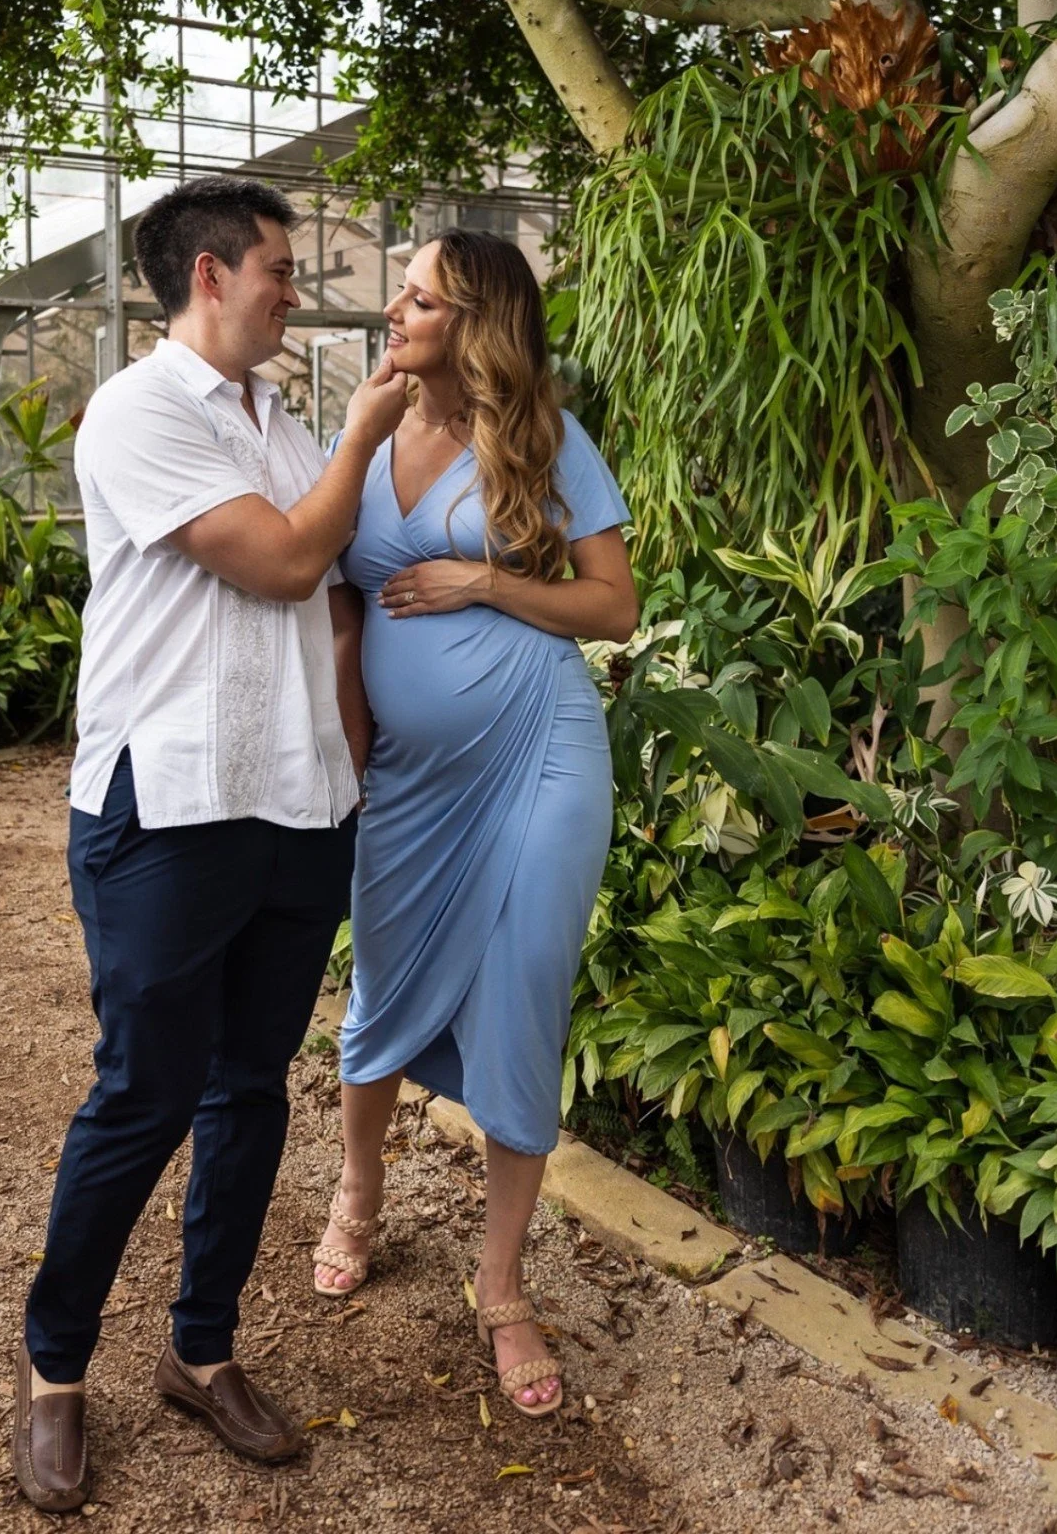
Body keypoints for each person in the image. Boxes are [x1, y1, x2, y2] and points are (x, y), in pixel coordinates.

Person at [13, 176, 406, 1512]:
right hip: (168, 806)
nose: (296, 292)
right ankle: (55, 1372)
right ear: (211, 280)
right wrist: (363, 438)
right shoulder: (139, 412)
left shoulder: (278, 422)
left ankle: (202, 1348)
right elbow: (291, 563)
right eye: (281, 272)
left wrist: (351, 757)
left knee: (251, 1091)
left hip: (297, 804)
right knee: (143, 1096)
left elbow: (341, 598)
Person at [311, 228, 638, 1418]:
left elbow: (614, 606)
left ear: (476, 322)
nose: (392, 313)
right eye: (401, 295)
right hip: (409, 780)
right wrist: (353, 747)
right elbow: (340, 610)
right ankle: (358, 1193)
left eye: (419, 299)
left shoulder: (546, 440)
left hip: (543, 755)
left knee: (527, 991)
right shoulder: (365, 427)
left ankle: (501, 1285)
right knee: (381, 991)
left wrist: (488, 579)